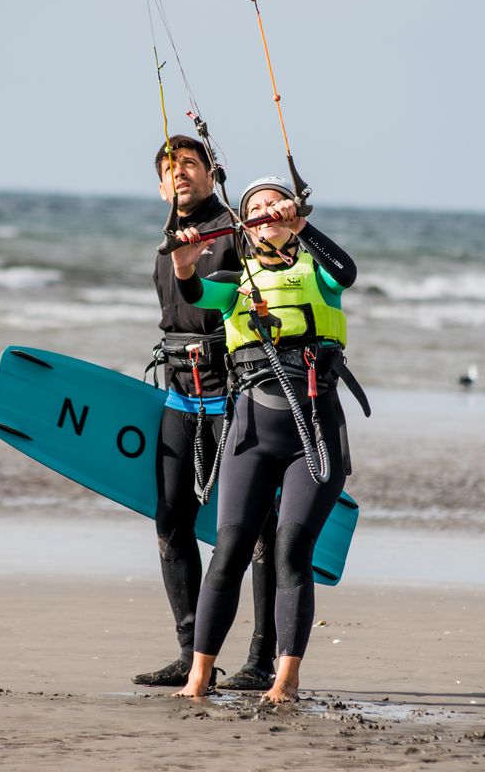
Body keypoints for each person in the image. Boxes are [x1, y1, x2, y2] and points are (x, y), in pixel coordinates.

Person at [168, 176, 359, 703]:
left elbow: (348, 271)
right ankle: (199, 677)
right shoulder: (236, 281)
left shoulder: (317, 273)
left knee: (292, 548)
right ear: (246, 224)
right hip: (252, 430)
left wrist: (303, 226)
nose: (267, 209)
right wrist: (185, 264)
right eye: (256, 206)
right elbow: (194, 291)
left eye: (275, 202)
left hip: (314, 429)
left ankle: (285, 678)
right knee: (229, 548)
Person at [134, 136, 278, 691]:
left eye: (190, 164)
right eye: (169, 169)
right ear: (160, 185)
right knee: (171, 521)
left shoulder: (235, 232)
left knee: (253, 529)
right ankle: (193, 652)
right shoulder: (167, 239)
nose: (180, 174)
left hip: (237, 393)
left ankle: (261, 659)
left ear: (212, 173)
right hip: (180, 393)